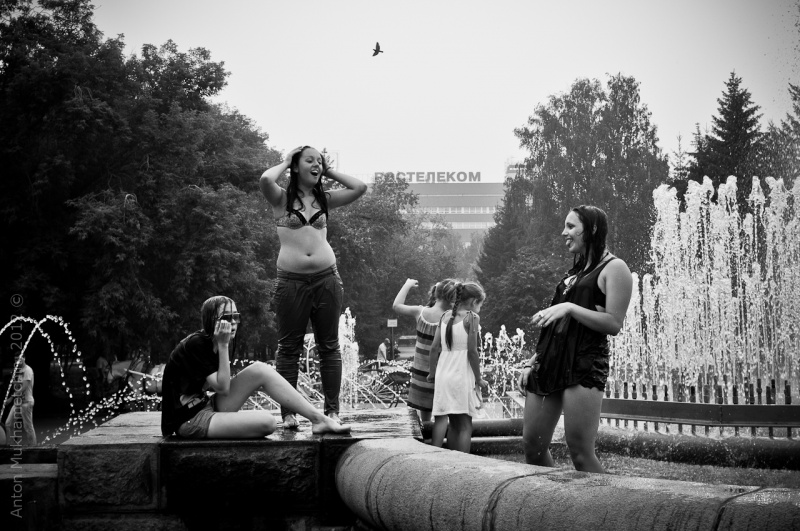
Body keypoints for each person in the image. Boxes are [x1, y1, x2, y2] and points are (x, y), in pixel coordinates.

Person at [517, 205, 632, 473]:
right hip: (549, 362)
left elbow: (613, 323)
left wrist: (569, 307)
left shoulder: (615, 268)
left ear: (591, 229)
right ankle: (553, 498)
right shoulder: (574, 273)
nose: (563, 232)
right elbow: (558, 327)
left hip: (584, 362)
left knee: (580, 451)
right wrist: (532, 361)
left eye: (570, 226)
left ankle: (607, 501)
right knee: (532, 446)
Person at [260, 146, 367, 429]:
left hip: (326, 279)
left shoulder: (324, 199)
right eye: (310, 160)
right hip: (290, 282)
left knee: (329, 347)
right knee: (289, 349)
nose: (316, 164)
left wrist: (329, 170)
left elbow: (359, 188)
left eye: (319, 161)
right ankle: (289, 414)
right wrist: (286, 161)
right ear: (296, 167)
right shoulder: (281, 198)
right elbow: (266, 179)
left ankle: (331, 413)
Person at [161, 296, 351, 438]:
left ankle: (318, 419)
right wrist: (223, 345)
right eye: (227, 317)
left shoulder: (219, 342)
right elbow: (223, 388)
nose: (233, 322)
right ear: (212, 320)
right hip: (189, 419)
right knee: (267, 422)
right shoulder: (198, 344)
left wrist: (224, 346)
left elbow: (219, 386)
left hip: (206, 404)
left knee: (260, 369)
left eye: (236, 316)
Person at [392, 277, 456, 447]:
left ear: (435, 294)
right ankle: (439, 446)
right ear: (451, 299)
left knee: (424, 417)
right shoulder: (450, 318)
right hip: (441, 373)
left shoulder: (420, 312)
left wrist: (407, 285)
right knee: (443, 415)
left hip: (420, 374)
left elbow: (396, 306)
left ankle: (425, 445)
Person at [427, 281, 488, 453]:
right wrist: (479, 378)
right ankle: (462, 463)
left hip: (443, 374)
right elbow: (472, 352)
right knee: (465, 426)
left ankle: (447, 458)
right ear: (474, 301)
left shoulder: (445, 316)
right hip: (461, 375)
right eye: (481, 304)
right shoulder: (472, 318)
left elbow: (434, 348)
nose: (480, 308)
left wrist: (432, 373)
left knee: (453, 424)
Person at [4, 356, 36, 446]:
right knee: (8, 424)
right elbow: (17, 387)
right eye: (15, 359)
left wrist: (11, 398)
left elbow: (24, 387)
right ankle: (11, 445)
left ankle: (33, 447)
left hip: (26, 402)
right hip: (18, 402)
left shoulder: (28, 370)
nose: (17, 361)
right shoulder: (19, 371)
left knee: (28, 427)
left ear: (24, 358)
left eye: (19, 358)